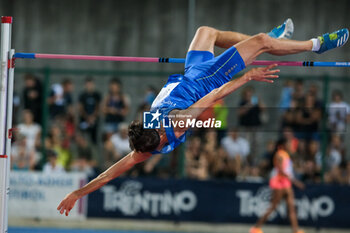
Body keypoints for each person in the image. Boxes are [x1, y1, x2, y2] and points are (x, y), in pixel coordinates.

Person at [58, 19, 349, 216]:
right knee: (260, 42)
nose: (153, 121)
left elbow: (108, 174)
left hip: (189, 72)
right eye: (155, 124)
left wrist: (77, 192)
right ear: (160, 135)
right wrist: (247, 77)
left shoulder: (141, 149)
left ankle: (271, 40)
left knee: (207, 31)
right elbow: (215, 96)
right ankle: (315, 44)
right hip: (209, 79)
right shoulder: (177, 123)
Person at [250, 139, 305, 233]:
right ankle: (256, 228)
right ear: (283, 145)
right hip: (279, 184)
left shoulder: (287, 155)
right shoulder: (280, 154)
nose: (291, 146)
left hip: (287, 184)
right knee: (273, 207)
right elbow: (281, 170)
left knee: (291, 209)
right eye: (289, 144)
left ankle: (296, 230)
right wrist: (295, 182)